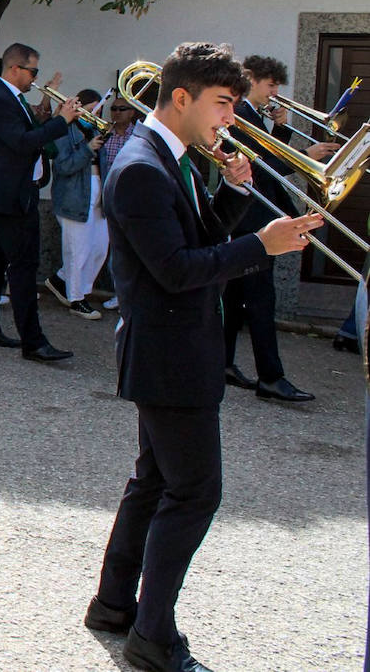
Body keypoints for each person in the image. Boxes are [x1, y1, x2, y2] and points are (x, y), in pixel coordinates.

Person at [84, 42, 319, 672]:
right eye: (221, 104)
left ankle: (113, 605)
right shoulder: (141, 166)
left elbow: (196, 239)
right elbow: (174, 270)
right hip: (170, 353)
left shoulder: (173, 157)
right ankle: (153, 639)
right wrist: (261, 247)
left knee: (155, 482)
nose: (229, 118)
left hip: (173, 347)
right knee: (194, 494)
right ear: (181, 98)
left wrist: (238, 200)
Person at [222, 54, 336, 402]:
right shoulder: (240, 115)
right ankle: (270, 377)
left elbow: (267, 158)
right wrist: (306, 153)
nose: (275, 92)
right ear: (251, 79)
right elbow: (260, 167)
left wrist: (282, 128)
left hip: (250, 217)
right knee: (261, 300)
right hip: (252, 219)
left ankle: (222, 364)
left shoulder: (254, 115)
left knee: (237, 296)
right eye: (270, 85)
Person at [0, 43, 79, 363]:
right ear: (14, 68)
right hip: (11, 195)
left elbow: (26, 137)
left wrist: (48, 115)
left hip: (16, 193)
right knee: (23, 267)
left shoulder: (10, 99)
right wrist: (62, 121)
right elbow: (21, 143)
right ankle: (33, 342)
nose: (35, 78)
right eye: (33, 71)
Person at [44, 88, 110, 320]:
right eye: (91, 110)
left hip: (98, 191)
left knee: (99, 248)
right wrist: (88, 149)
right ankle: (77, 298)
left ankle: (60, 281)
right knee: (78, 251)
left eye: (97, 111)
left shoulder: (94, 128)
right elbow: (63, 166)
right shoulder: (65, 130)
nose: (95, 115)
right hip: (74, 195)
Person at [98, 96, 139, 310]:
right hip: (111, 198)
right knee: (116, 250)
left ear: (132, 112)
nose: (116, 112)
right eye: (113, 108)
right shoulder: (104, 135)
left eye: (122, 108)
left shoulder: (139, 136)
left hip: (134, 199)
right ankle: (119, 294)